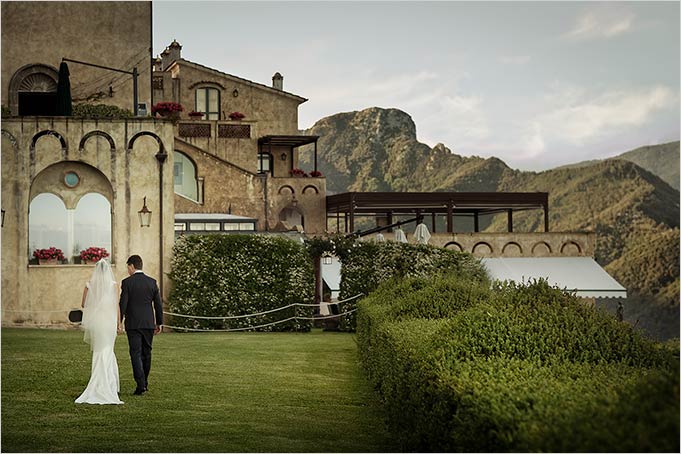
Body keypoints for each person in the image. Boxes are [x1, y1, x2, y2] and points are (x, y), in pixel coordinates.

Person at [75, 259, 124, 405]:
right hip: (109, 322)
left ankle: (100, 383)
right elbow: (117, 306)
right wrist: (118, 323)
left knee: (99, 351)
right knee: (108, 350)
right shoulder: (114, 285)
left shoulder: (89, 284)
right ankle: (110, 385)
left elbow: (84, 304)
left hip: (97, 322)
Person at [119, 254, 163, 395]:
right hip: (149, 323)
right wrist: (160, 323)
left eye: (128, 267)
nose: (128, 270)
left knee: (135, 354)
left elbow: (123, 304)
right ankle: (145, 383)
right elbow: (158, 305)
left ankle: (141, 384)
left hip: (133, 324)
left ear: (132, 266)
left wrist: (118, 322)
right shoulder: (152, 282)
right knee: (147, 353)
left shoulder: (127, 283)